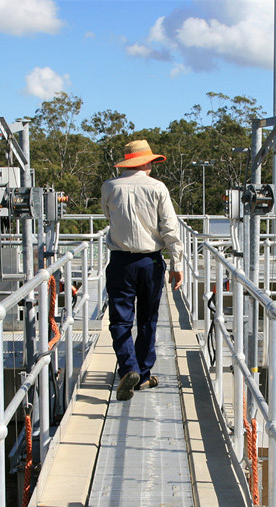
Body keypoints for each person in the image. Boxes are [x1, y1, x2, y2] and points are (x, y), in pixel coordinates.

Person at [101, 140, 183, 401]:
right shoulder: (157, 188)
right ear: (145, 162)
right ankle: (144, 375)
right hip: (151, 262)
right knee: (148, 319)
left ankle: (128, 369)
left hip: (121, 262)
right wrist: (177, 264)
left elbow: (108, 216)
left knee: (120, 319)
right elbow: (170, 228)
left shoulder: (110, 187)